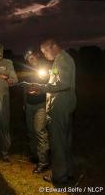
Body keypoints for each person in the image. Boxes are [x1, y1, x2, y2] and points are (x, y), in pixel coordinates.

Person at [31, 39, 76, 183]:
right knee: (64, 142)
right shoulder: (60, 60)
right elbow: (57, 80)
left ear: (54, 46)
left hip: (60, 106)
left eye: (45, 51)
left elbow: (63, 83)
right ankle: (67, 171)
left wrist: (42, 88)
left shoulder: (63, 59)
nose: (44, 55)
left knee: (57, 143)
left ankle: (59, 176)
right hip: (63, 105)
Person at [23, 49, 50, 173]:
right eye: (28, 59)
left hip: (41, 105)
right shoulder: (27, 70)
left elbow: (51, 86)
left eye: (32, 57)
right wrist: (24, 103)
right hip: (29, 105)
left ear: (37, 56)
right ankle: (35, 156)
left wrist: (40, 90)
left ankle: (43, 162)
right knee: (30, 131)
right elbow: (25, 87)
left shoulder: (45, 68)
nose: (30, 60)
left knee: (39, 131)